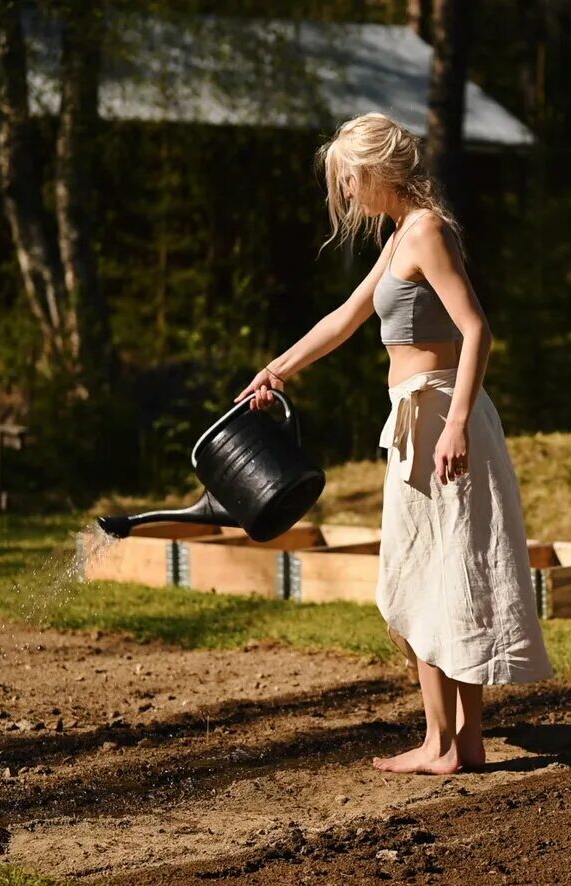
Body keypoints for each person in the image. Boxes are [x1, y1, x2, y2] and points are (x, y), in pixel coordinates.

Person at [233, 112, 553, 775]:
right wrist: (278, 368)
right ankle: (453, 742)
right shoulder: (402, 234)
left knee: (446, 573)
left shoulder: (428, 230)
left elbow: (476, 331)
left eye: (348, 181)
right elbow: (346, 317)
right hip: (416, 423)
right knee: (425, 574)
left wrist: (459, 422)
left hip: (441, 419)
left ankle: (450, 745)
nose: (346, 195)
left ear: (374, 172)